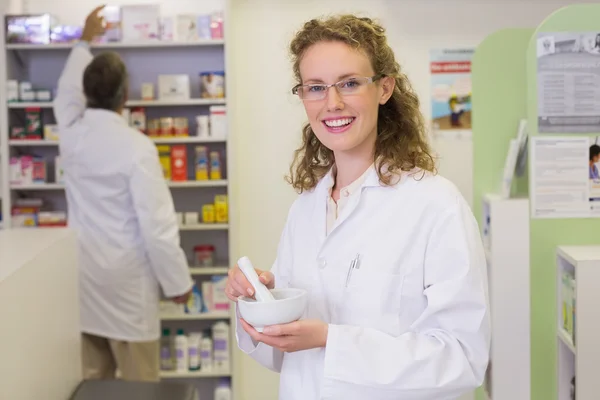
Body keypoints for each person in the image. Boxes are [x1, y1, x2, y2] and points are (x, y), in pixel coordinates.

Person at [225, 14, 490, 400]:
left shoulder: (435, 204)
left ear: (384, 88)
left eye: (349, 83)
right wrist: (257, 301)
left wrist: (332, 341)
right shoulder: (307, 208)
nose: (332, 103)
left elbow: (462, 359)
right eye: (315, 87)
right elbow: (281, 352)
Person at [54, 6, 193, 382]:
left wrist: (84, 40)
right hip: (128, 284)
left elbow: (64, 93)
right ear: (125, 94)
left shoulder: (71, 134)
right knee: (138, 387)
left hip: (84, 276)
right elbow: (157, 227)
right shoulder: (137, 148)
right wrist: (178, 284)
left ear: (85, 94)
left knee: (89, 383)